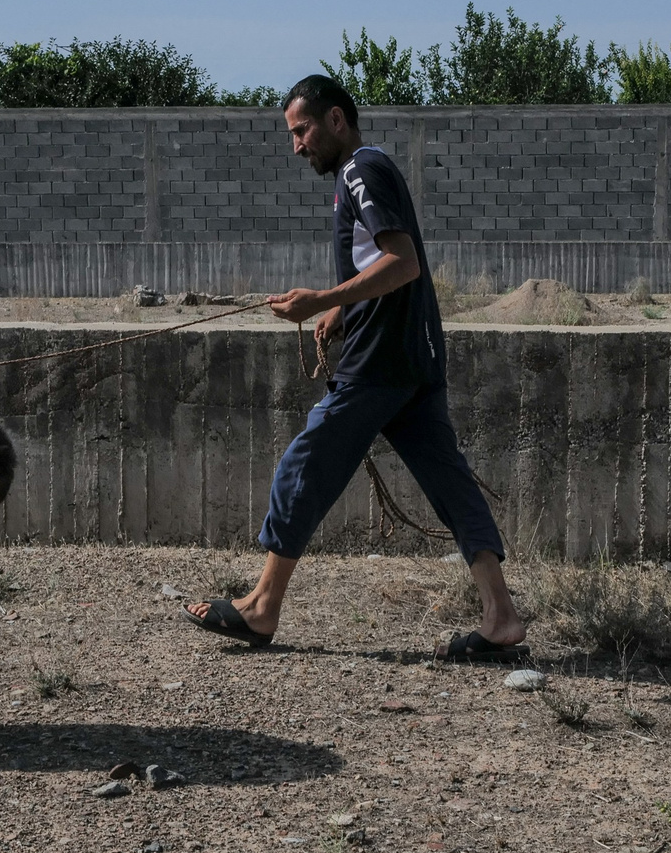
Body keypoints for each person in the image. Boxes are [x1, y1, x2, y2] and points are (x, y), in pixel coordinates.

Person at [185, 74, 529, 659]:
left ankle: (262, 607)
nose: (297, 145)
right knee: (450, 484)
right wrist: (343, 308)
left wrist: (319, 299)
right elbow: (381, 264)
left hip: (381, 362)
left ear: (337, 120)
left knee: (305, 462)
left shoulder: (360, 171)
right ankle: (500, 618)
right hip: (412, 357)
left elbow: (403, 263)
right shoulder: (365, 171)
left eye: (303, 130)